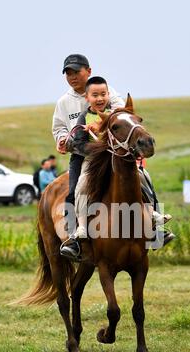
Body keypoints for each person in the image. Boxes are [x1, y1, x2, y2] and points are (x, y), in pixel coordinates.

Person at [59, 76, 174, 259]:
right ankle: (78, 232)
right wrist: (98, 148)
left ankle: (155, 223)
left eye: (103, 94)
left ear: (108, 94)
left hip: (119, 159)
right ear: (87, 98)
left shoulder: (118, 114)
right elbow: (80, 144)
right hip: (94, 162)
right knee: (81, 184)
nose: (99, 98)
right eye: (95, 95)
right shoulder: (84, 118)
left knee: (144, 177)